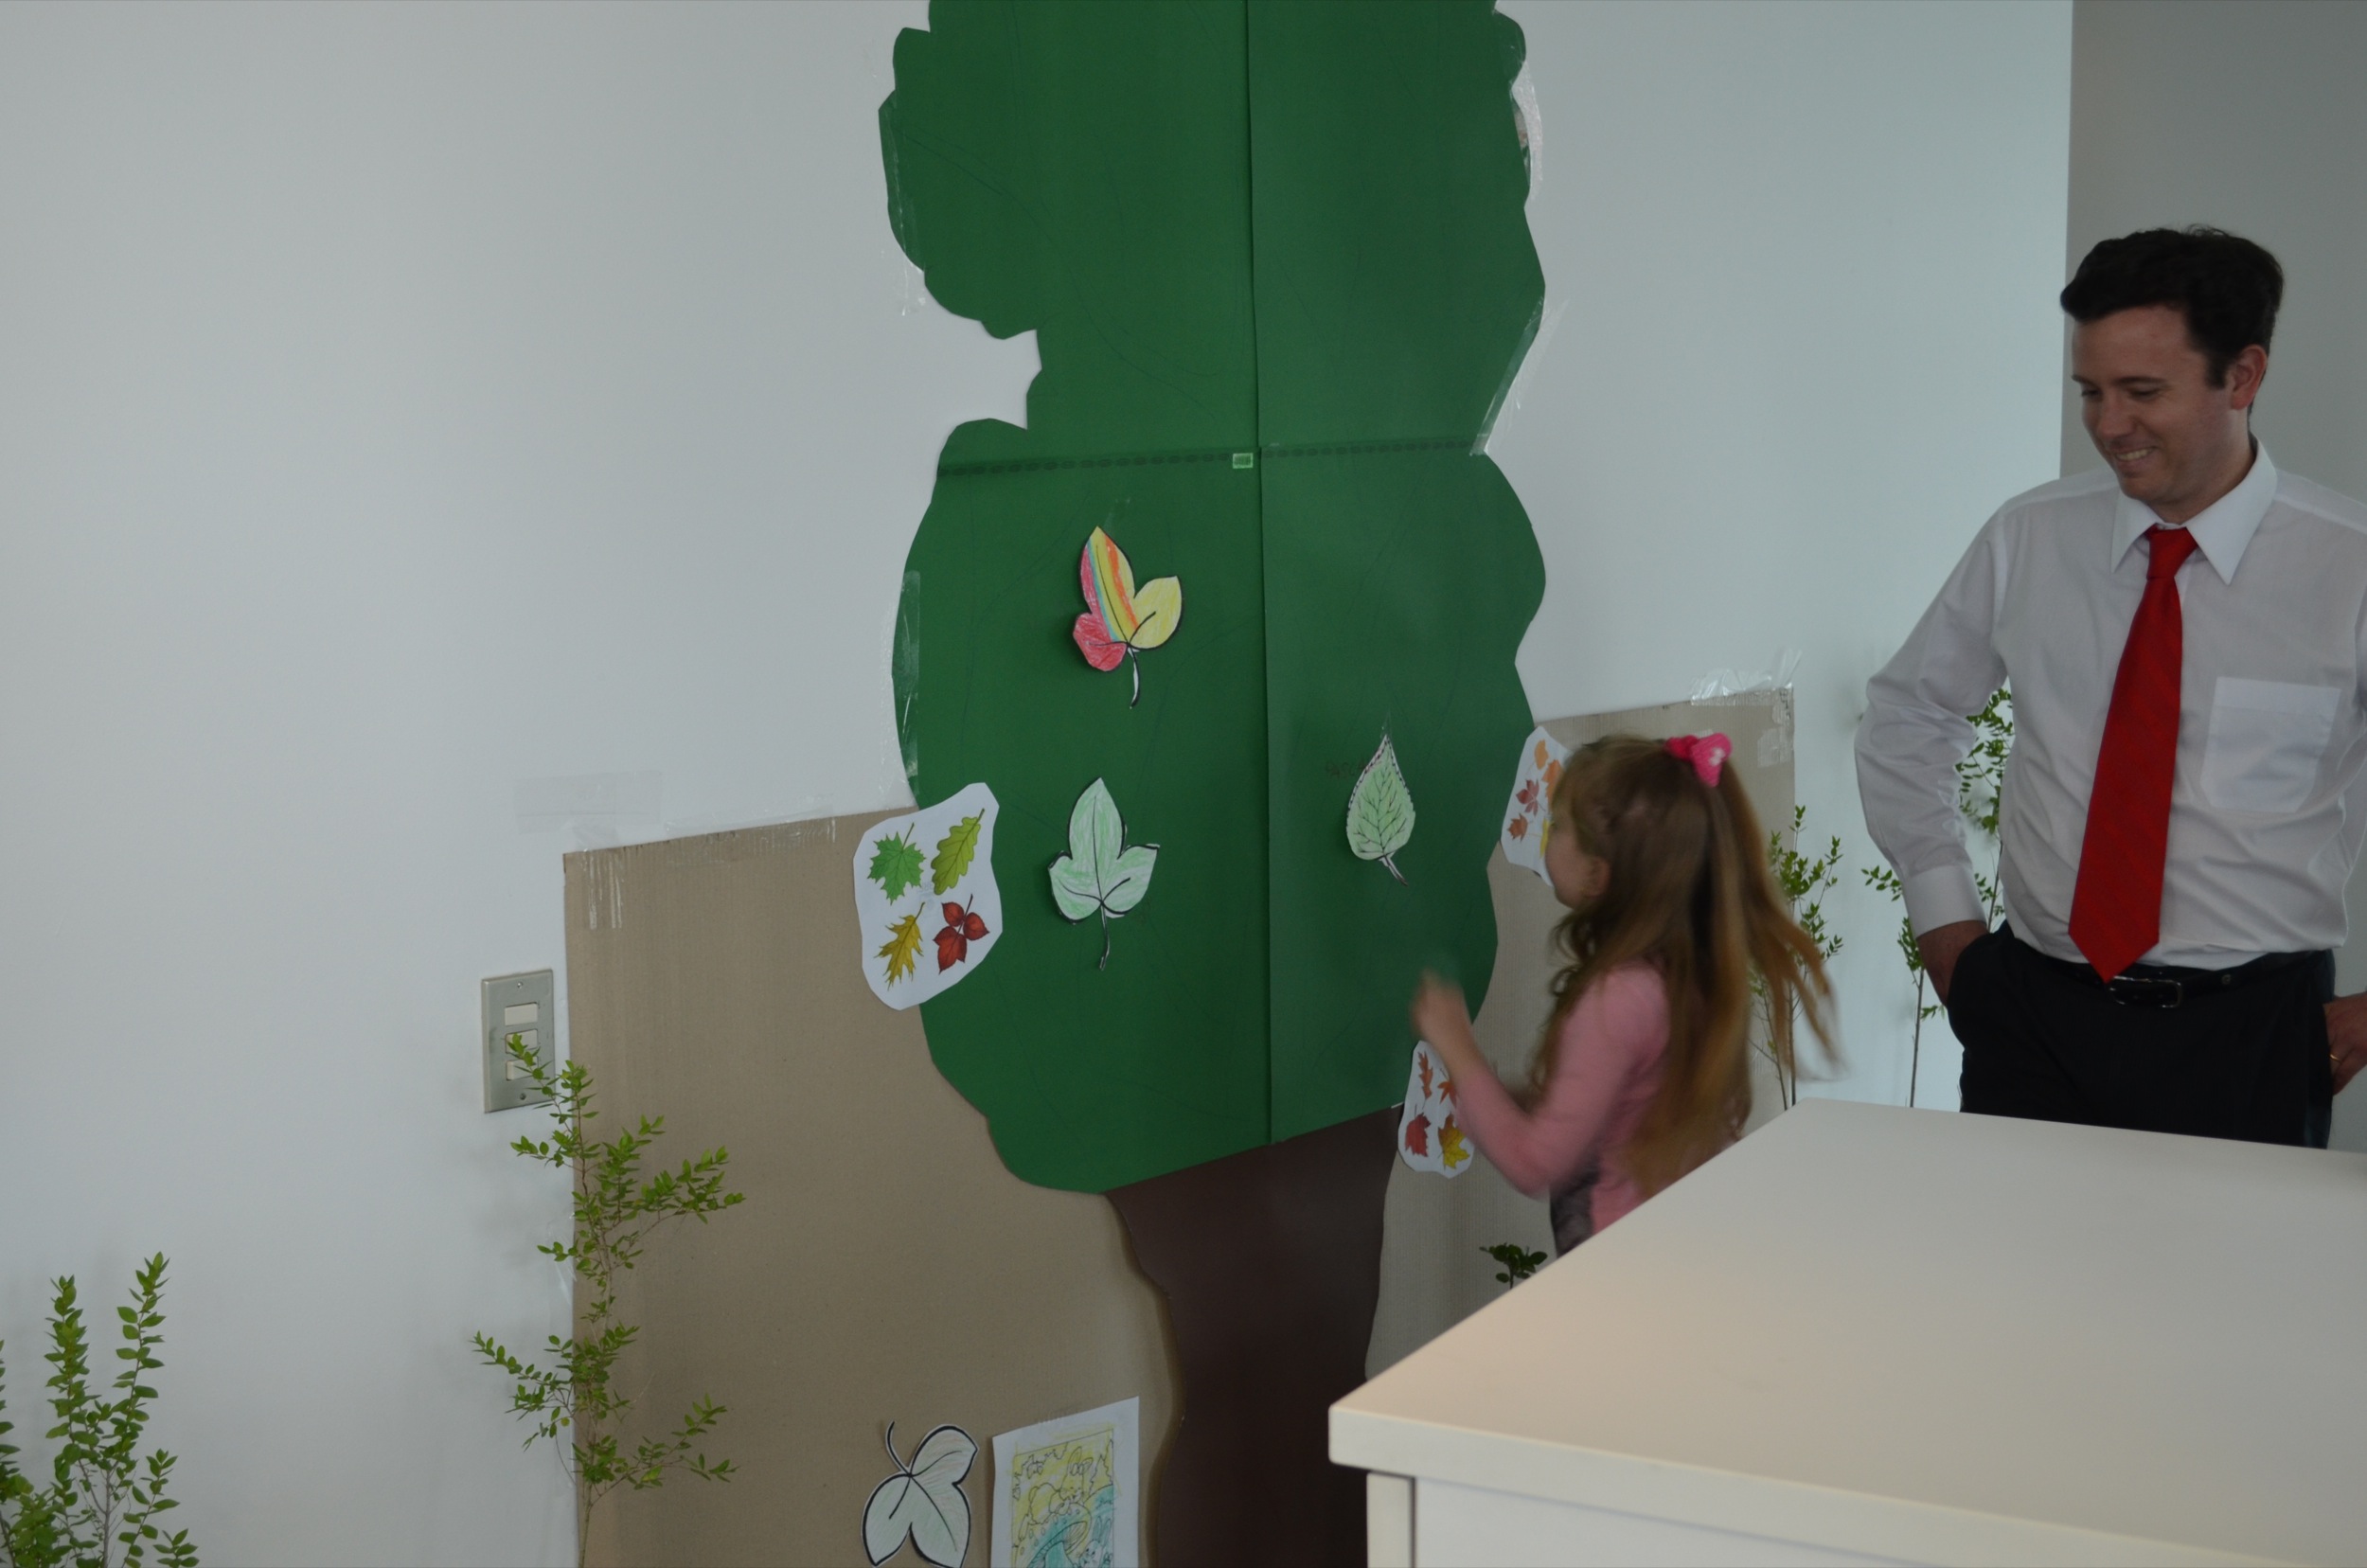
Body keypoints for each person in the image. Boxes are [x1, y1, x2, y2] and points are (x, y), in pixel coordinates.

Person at [1858, 225, 2367, 1148]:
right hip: (2032, 1015)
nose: (2107, 425)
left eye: (2142, 391)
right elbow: (1910, 713)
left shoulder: (2348, 568)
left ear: (2242, 376)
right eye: (2090, 391)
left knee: (2226, 1253)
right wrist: (1945, 926)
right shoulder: (2029, 536)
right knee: (2012, 1246)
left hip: (2249, 1032)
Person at [1411, 733, 1833, 1253]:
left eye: (1558, 825)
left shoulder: (1618, 1000)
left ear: (1596, 874)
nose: (1547, 835)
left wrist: (1458, 1048)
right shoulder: (1689, 971)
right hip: (1691, 1243)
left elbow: (1533, 1162)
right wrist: (1516, 1100)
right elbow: (1623, 1105)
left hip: (1624, 1261)